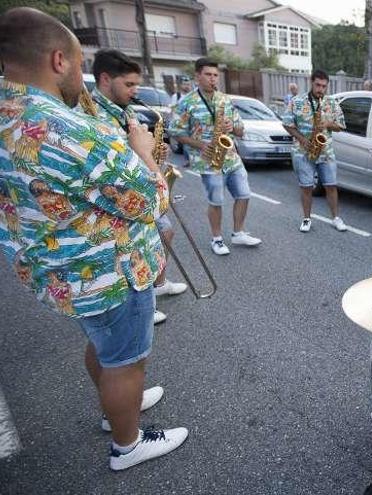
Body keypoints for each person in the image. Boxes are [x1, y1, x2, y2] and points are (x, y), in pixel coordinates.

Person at [0, 7, 188, 470]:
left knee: (105, 347)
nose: (82, 74)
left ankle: (117, 407)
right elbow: (149, 201)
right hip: (108, 271)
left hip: (60, 271)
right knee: (126, 359)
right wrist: (143, 152)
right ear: (59, 60)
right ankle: (127, 444)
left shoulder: (8, 112)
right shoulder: (67, 125)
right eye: (81, 63)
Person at [89, 49, 188, 325]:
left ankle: (158, 282)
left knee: (165, 232)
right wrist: (143, 155)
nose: (134, 90)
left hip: (144, 183)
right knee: (135, 247)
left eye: (136, 85)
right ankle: (145, 301)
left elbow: (136, 144)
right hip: (123, 196)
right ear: (106, 79)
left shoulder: (126, 109)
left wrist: (156, 150)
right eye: (129, 84)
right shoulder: (95, 116)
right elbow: (114, 165)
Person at [167, 58, 262, 255]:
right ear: (197, 76)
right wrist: (201, 144)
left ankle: (238, 233)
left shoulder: (225, 99)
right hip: (208, 160)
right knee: (216, 201)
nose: (213, 79)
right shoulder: (186, 103)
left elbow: (241, 130)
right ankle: (217, 239)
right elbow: (176, 132)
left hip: (230, 157)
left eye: (215, 75)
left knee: (244, 195)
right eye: (208, 75)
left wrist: (232, 127)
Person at [282, 69, 348, 233]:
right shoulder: (297, 101)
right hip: (303, 151)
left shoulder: (331, 103)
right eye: (318, 85)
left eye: (324, 86)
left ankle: (336, 218)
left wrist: (327, 124)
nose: (320, 89)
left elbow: (341, 126)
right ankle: (306, 218)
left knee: (331, 186)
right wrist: (302, 139)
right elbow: (287, 124)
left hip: (325, 152)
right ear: (311, 82)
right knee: (306, 187)